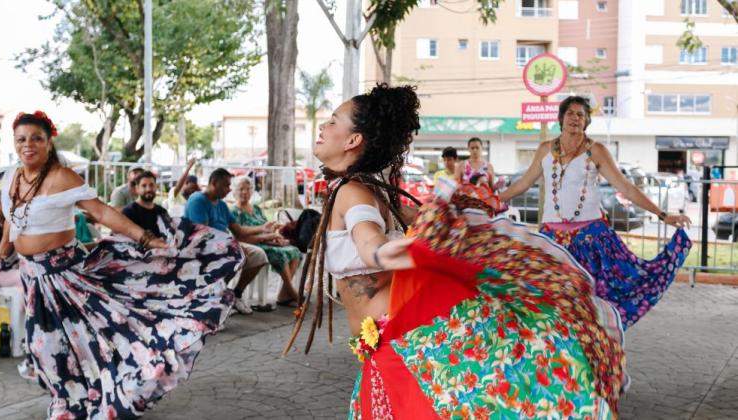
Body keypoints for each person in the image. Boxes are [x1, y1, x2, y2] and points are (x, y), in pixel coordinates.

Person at [284, 85, 625, 418]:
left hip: (406, 339)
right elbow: (405, 227)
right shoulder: (371, 190)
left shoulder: (353, 192)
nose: (323, 127)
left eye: (332, 120)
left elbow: (370, 241)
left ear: (352, 139)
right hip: (400, 337)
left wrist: (390, 251)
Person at [0, 111, 244, 419]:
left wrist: (145, 237)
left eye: (36, 138)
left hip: (65, 274)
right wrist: (3, 251)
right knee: (43, 344)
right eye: (21, 139)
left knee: (84, 337)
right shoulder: (12, 177)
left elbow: (103, 213)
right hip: (32, 276)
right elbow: (12, 221)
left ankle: (92, 393)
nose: (28, 145)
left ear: (48, 142)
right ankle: (64, 397)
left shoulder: (62, 177)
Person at [500, 96, 692, 329]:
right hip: (553, 241)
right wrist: (492, 201)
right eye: (570, 113)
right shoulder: (545, 150)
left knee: (595, 303)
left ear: (587, 121)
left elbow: (626, 188)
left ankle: (595, 350)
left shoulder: (597, 151)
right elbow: (523, 184)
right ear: (561, 118)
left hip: (592, 240)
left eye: (581, 114)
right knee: (549, 299)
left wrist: (664, 215)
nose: (575, 118)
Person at [185, 168, 281, 315]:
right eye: (226, 185)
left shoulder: (222, 205)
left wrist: (263, 228)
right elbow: (202, 234)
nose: (229, 190)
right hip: (201, 247)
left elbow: (239, 231)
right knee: (237, 255)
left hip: (223, 244)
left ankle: (235, 295)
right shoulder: (198, 200)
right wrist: (232, 246)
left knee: (258, 255)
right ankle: (213, 301)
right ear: (214, 183)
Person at [231, 176, 302, 306]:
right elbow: (240, 237)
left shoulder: (256, 209)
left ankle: (283, 294)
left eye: (248, 189)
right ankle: (291, 292)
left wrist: (275, 235)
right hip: (252, 244)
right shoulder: (234, 212)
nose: (245, 192)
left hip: (266, 242)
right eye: (241, 189)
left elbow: (266, 228)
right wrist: (265, 237)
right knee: (279, 254)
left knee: (294, 251)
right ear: (234, 191)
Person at [122, 170, 170, 238]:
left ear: (156, 187)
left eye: (151, 185)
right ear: (137, 188)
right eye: (144, 186)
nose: (148, 189)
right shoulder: (129, 212)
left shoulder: (162, 212)